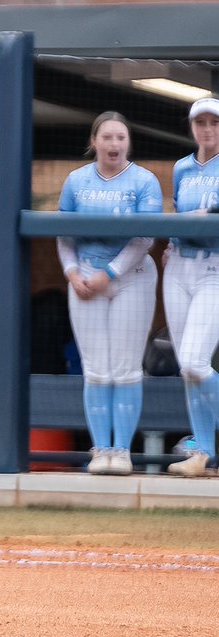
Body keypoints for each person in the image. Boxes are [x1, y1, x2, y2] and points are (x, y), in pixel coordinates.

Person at [56, 111, 161, 476]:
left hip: (131, 277)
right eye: (107, 137)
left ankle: (122, 451)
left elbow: (145, 237)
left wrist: (111, 273)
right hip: (85, 279)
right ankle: (101, 449)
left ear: (128, 142)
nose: (114, 144)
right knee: (97, 369)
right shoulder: (76, 180)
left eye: (120, 138)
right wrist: (72, 273)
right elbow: (63, 236)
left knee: (125, 368)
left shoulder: (145, 180)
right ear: (94, 141)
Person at [163, 98, 219, 478]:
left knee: (195, 361)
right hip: (179, 266)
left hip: (214, 267)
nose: (207, 129)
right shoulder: (182, 167)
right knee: (187, 368)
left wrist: (200, 217)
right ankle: (203, 452)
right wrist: (169, 240)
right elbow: (174, 210)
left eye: (214, 122)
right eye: (200, 122)